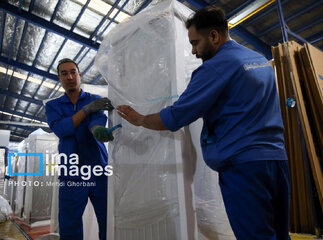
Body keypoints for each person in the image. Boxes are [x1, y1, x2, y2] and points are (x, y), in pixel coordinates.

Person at [116, 6, 290, 240]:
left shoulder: (216, 67)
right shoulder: (259, 61)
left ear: (214, 36)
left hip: (244, 167)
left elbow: (176, 116)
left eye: (196, 42)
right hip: (277, 161)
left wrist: (140, 119)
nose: (194, 51)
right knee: (280, 233)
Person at [45, 58, 114, 240]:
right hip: (72, 173)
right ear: (59, 78)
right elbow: (62, 129)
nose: (69, 76)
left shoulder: (95, 100)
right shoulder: (53, 106)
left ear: (79, 74)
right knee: (70, 225)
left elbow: (96, 121)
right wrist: (86, 110)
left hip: (99, 170)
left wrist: (98, 130)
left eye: (73, 72)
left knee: (108, 222)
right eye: (64, 73)